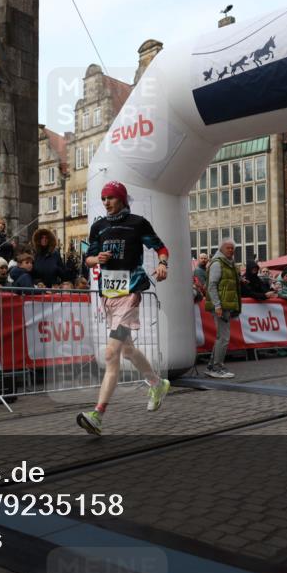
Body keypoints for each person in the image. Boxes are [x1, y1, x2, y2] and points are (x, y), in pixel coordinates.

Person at [77, 181, 170, 436]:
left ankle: (97, 414)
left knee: (111, 354)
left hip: (130, 294)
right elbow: (88, 258)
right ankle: (156, 382)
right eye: (103, 198)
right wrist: (98, 259)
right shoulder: (98, 226)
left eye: (110, 198)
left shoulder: (137, 223)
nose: (106, 202)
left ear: (121, 199)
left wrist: (163, 265)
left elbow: (161, 248)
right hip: (109, 295)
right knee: (127, 351)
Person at [204, 240, 239, 379]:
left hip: (225, 305)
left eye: (232, 248)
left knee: (221, 337)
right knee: (223, 338)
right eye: (228, 248)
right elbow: (212, 285)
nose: (231, 250)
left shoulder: (227, 263)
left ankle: (213, 366)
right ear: (222, 249)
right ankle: (216, 367)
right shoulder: (218, 263)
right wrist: (217, 305)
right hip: (221, 306)